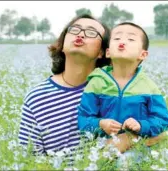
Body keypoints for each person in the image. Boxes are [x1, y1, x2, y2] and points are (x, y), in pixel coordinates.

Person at [18, 14, 111, 157]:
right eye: (74, 30)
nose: (80, 34)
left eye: (91, 32)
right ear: (62, 44)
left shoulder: (111, 92)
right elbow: (28, 160)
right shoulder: (36, 98)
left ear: (102, 52)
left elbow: (142, 136)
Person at [78, 22, 168, 152]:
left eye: (131, 39)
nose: (122, 42)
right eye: (116, 38)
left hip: (138, 148)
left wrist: (141, 126)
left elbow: (163, 121)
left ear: (143, 55)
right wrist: (100, 124)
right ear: (108, 52)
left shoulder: (149, 87)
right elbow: (83, 119)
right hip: (101, 150)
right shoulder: (96, 83)